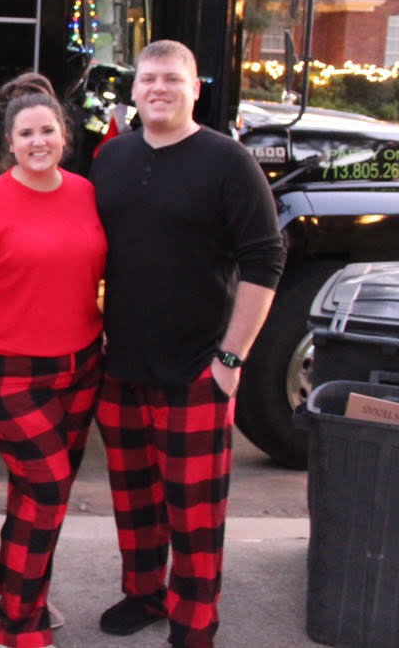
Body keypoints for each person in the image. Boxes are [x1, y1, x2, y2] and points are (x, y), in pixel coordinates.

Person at [90, 40, 285, 648]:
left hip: (198, 367)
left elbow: (266, 257)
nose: (159, 89)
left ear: (196, 88)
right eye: (148, 79)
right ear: (134, 88)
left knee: (195, 513)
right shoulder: (111, 158)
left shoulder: (228, 161)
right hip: (122, 366)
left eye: (173, 79)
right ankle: (144, 593)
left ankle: (195, 621)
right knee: (135, 498)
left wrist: (231, 360)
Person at [0, 74, 106, 648]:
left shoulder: (86, 193)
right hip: (8, 371)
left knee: (32, 490)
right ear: (10, 142)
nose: (39, 141)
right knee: (50, 482)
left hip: (82, 366)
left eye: (49, 130)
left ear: (63, 135)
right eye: (27, 133)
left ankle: (16, 586)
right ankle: (17, 625)